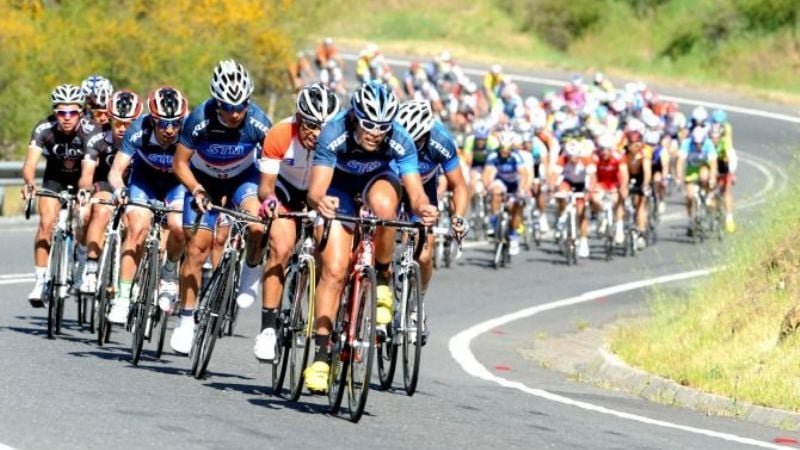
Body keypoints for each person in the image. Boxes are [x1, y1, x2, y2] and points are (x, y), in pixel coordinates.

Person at [303, 81, 438, 392]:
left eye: (383, 126)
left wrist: (424, 208)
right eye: (369, 124)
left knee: (386, 207)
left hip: (377, 180)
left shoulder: (400, 139)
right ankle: (321, 358)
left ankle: (382, 278)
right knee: (334, 271)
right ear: (354, 117)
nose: (376, 133)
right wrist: (321, 201)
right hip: (338, 186)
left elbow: (416, 193)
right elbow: (316, 190)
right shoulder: (333, 132)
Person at [172, 60, 272, 354]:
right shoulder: (198, 119)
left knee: (257, 226)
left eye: (241, 105)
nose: (236, 113)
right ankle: (186, 319)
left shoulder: (259, 122)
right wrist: (196, 189)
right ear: (217, 103)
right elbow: (179, 164)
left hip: (243, 179)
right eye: (228, 107)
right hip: (205, 182)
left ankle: (251, 268)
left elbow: (273, 164)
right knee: (196, 249)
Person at [254, 83, 340, 362]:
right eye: (311, 125)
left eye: (324, 128)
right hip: (285, 192)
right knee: (281, 247)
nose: (316, 134)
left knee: (329, 256)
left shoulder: (339, 141)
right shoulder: (280, 133)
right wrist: (270, 202)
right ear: (299, 118)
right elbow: (266, 187)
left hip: (320, 194)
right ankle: (268, 330)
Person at [106, 87, 189, 325]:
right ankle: (123, 298)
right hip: (144, 182)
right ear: (152, 120)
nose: (169, 130)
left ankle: (169, 272)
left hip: (176, 184)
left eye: (175, 123)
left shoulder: (188, 131)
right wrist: (119, 189)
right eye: (162, 123)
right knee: (136, 229)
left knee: (179, 226)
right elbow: (115, 171)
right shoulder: (138, 129)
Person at [22, 84, 104, 306]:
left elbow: (88, 172)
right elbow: (30, 164)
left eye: (72, 112)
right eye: (61, 112)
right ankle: (40, 281)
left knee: (84, 216)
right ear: (54, 112)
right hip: (55, 178)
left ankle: (82, 255)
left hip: (82, 179)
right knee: (46, 222)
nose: (67, 117)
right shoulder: (44, 128)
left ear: (81, 112)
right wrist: (29, 182)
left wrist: (84, 191)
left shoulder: (92, 130)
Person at [395, 100, 468, 306]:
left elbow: (459, 186)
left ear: (426, 135)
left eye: (415, 143)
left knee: (425, 256)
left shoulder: (441, 140)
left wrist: (458, 217)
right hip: (393, 184)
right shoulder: (390, 135)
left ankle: (418, 300)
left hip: (424, 189)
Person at [78, 90, 144, 295]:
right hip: (105, 183)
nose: (123, 128)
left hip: (135, 185)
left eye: (129, 123)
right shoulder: (97, 137)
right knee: (101, 211)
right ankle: (91, 269)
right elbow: (87, 174)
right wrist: (85, 190)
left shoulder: (144, 139)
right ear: (109, 119)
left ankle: (132, 276)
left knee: (135, 226)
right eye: (118, 123)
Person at [483, 130, 526, 255]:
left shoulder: (516, 156)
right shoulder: (493, 155)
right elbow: (487, 173)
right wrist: (487, 187)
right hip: (500, 181)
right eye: (502, 148)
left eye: (507, 149)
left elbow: (523, 174)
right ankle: (494, 222)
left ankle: (513, 234)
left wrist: (521, 189)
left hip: (514, 184)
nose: (504, 152)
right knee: (495, 192)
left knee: (515, 206)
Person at [676, 126, 718, 235]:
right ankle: (691, 219)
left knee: (705, 177)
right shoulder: (687, 143)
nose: (698, 146)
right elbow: (680, 162)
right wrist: (679, 178)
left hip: (704, 167)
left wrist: (712, 179)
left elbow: (713, 164)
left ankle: (707, 195)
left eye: (700, 143)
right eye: (696, 143)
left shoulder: (708, 144)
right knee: (690, 196)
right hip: (691, 170)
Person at [592, 133, 628, 244]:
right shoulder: (595, 157)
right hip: (600, 183)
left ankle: (619, 230)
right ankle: (600, 215)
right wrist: (592, 188)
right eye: (602, 149)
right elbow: (592, 174)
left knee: (618, 201)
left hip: (614, 182)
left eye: (607, 149)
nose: (605, 152)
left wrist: (623, 187)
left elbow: (624, 173)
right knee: (595, 198)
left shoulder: (618, 156)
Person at [622, 130, 652, 250]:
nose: (634, 147)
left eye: (637, 144)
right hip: (628, 176)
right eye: (632, 144)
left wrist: (645, 184)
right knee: (624, 199)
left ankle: (641, 232)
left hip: (641, 177)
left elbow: (647, 171)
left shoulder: (644, 152)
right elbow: (622, 171)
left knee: (641, 204)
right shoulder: (624, 153)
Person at [709, 109, 737, 232]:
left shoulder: (727, 130)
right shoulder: (708, 130)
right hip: (711, 161)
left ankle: (729, 219)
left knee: (727, 193)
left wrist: (732, 172)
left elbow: (731, 154)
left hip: (723, 161)